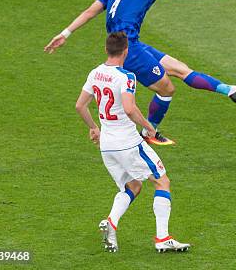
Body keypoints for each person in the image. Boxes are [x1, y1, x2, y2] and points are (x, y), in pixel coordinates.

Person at [47, 0, 236, 145]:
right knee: (167, 89)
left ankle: (231, 90)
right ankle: (149, 133)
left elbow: (89, 12)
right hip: (128, 49)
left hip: (131, 44)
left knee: (179, 68)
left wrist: (65, 33)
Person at [75, 32, 190, 253]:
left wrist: (93, 128)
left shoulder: (95, 73)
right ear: (126, 51)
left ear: (107, 50)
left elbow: (81, 105)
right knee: (162, 181)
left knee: (133, 186)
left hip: (107, 145)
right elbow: (129, 109)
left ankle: (111, 222)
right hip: (129, 144)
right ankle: (163, 238)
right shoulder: (126, 76)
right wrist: (148, 127)